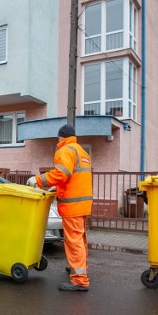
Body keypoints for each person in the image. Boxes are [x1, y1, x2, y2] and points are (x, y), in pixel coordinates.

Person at [29, 124, 93, 292]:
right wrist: (56, 189)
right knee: (80, 238)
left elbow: (61, 174)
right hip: (83, 203)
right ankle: (80, 267)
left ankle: (79, 279)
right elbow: (74, 179)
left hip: (72, 205)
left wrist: (39, 180)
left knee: (74, 240)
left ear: (61, 137)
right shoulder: (82, 152)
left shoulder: (65, 150)